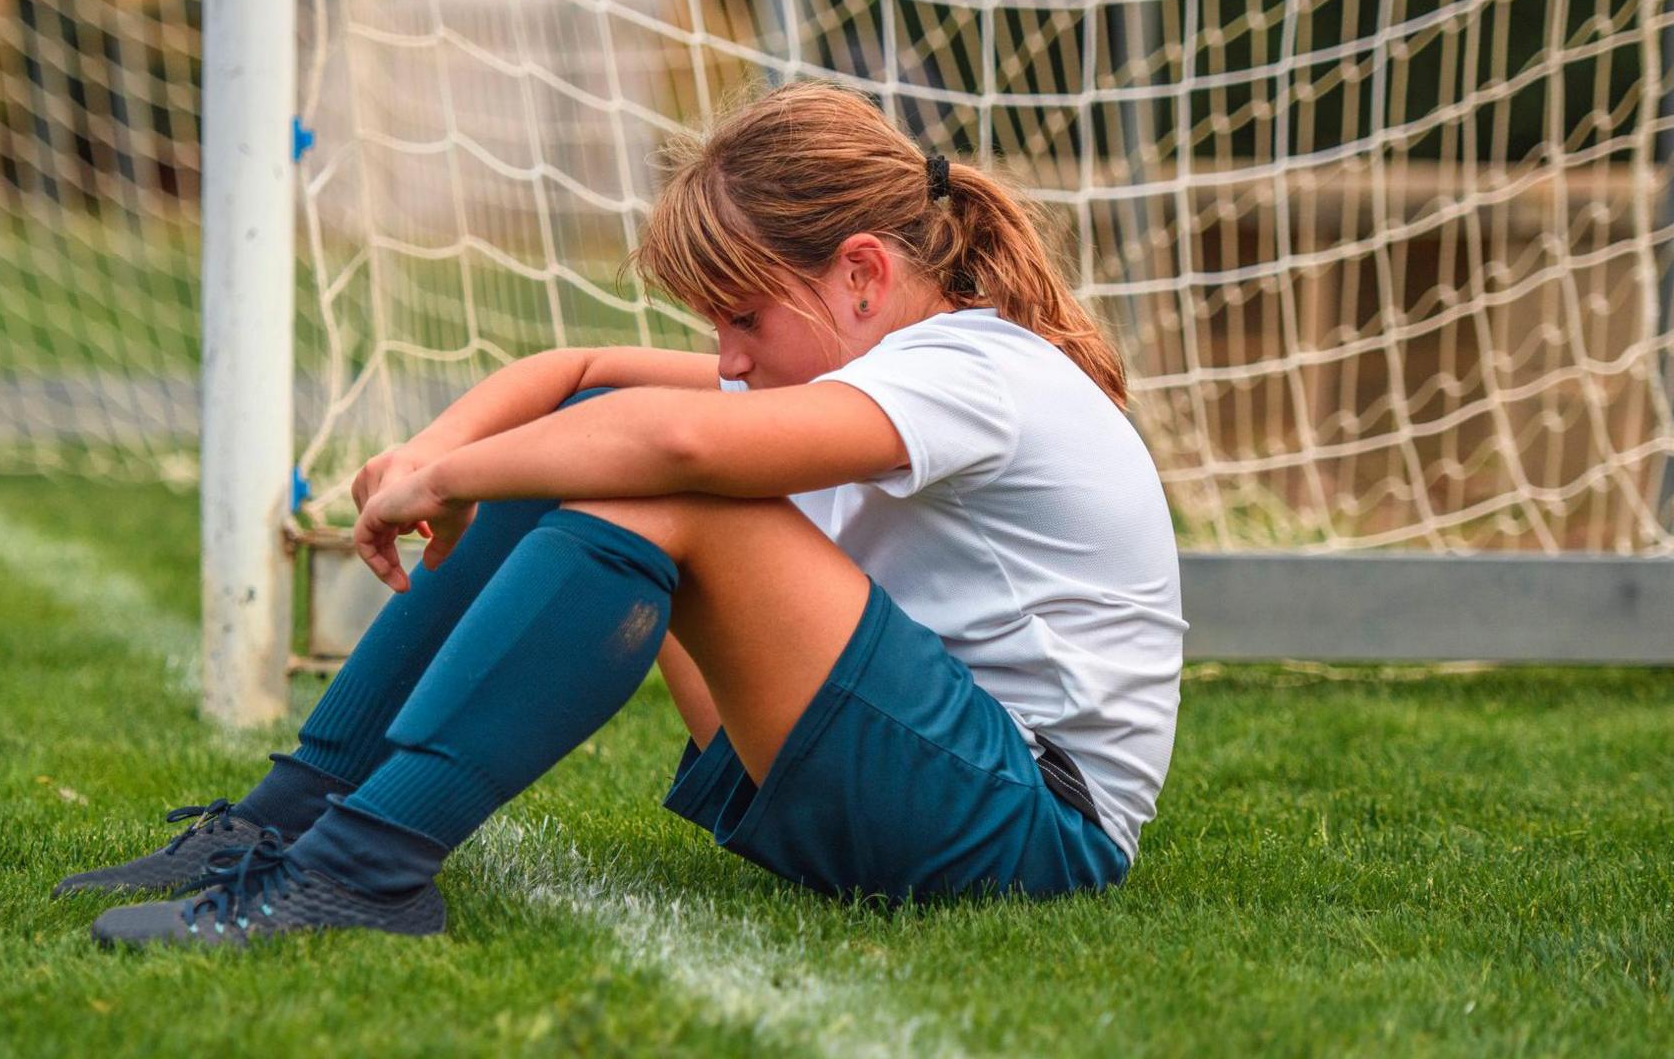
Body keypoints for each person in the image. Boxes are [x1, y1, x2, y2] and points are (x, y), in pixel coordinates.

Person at [64, 82, 1186, 947]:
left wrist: (451, 486)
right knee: (603, 431)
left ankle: (363, 869)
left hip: (1033, 825)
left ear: (858, 273)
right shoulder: (876, 366)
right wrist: (435, 449)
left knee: (663, 479)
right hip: (901, 775)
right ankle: (294, 815)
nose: (728, 358)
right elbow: (584, 374)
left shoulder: (972, 367)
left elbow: (677, 441)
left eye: (741, 317)